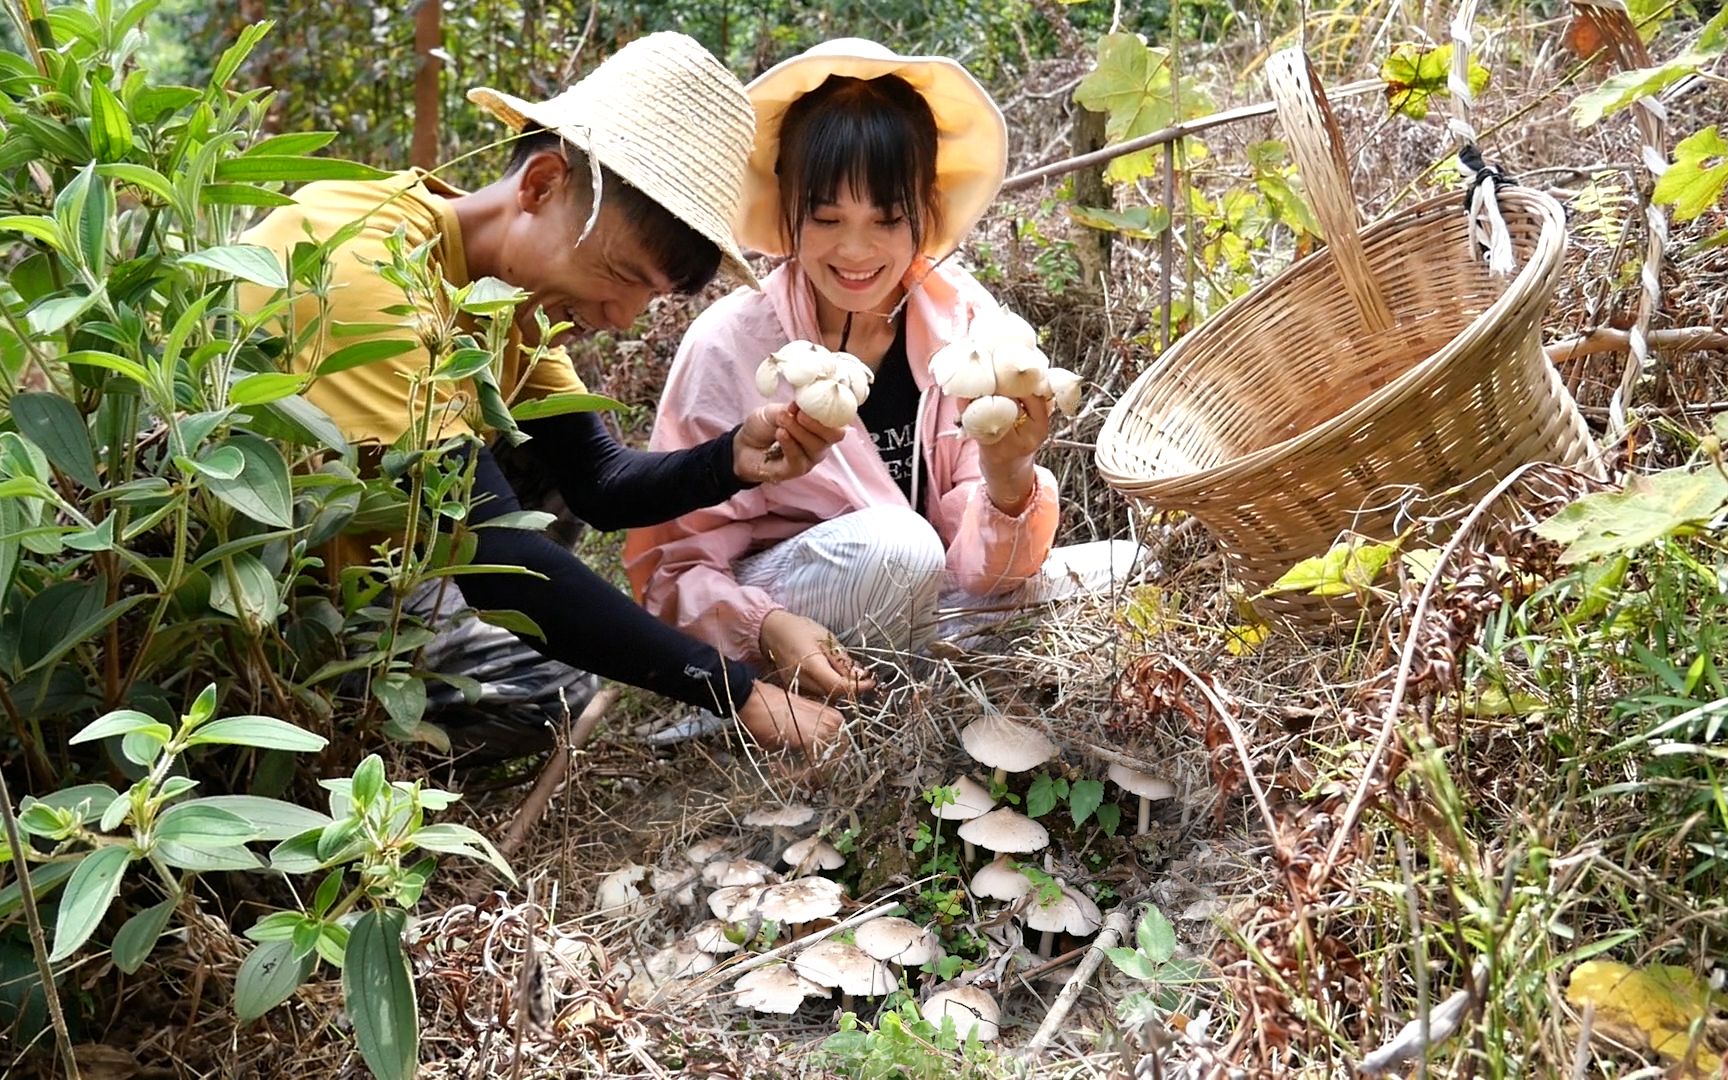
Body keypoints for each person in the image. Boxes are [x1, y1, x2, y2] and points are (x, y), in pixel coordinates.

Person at [235, 33, 846, 757]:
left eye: (647, 297)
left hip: (371, 567)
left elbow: (598, 481)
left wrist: (731, 460)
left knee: (540, 445)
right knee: (544, 693)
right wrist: (736, 691)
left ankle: (414, 661)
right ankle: (325, 725)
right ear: (541, 184)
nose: (620, 318)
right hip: (253, 595)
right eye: (621, 274)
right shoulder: (370, 265)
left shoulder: (508, 306)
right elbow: (498, 553)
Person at [624, 40, 1138, 700]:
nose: (856, 251)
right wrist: (768, 628)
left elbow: (981, 573)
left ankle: (915, 686)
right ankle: (850, 686)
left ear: (924, 208)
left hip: (928, 599)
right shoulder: (732, 345)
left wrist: (1008, 477)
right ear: (789, 209)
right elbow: (674, 567)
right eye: (827, 218)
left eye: (887, 219)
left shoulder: (962, 322)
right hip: (791, 620)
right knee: (899, 549)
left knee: (1130, 570)